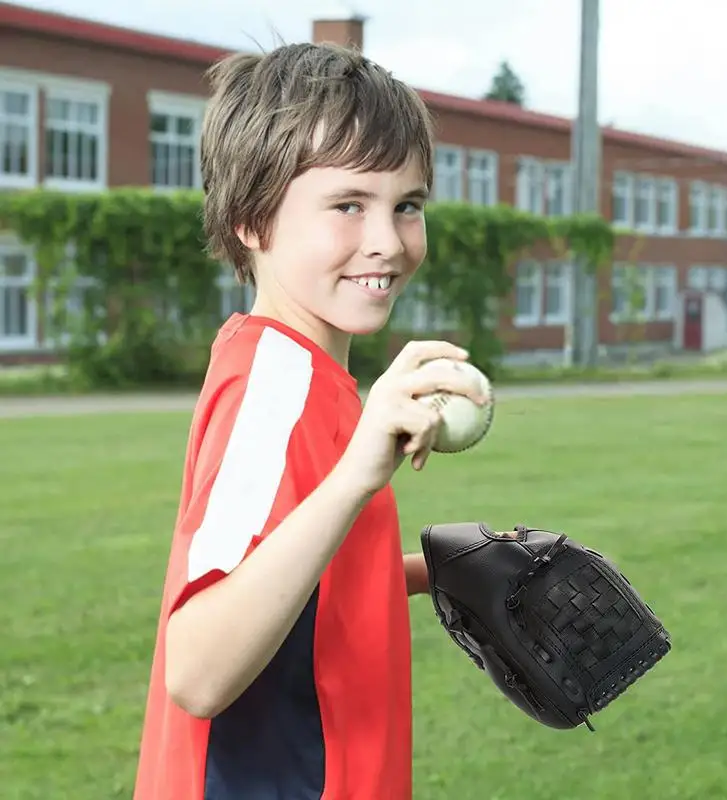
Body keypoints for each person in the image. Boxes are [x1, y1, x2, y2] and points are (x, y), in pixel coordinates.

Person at [133, 40, 489, 800]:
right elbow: (196, 668)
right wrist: (361, 469)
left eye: (408, 205)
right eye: (348, 205)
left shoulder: (304, 377)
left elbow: (294, 597)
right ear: (251, 220)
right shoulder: (276, 387)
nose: (388, 241)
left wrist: (431, 578)